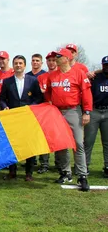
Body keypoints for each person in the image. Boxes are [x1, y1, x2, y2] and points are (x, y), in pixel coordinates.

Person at [45, 48, 92, 192]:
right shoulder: (52, 76)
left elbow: (86, 93)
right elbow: (48, 93)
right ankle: (65, 172)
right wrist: (50, 104)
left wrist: (87, 112)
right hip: (57, 111)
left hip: (73, 110)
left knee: (78, 143)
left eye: (58, 56)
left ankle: (82, 175)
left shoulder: (78, 73)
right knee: (61, 143)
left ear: (66, 58)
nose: (55, 59)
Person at [0, 55, 43, 181]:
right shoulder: (7, 82)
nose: (18, 65)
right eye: (16, 63)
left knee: (29, 144)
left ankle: (29, 173)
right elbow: (2, 98)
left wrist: (31, 107)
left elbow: (38, 98)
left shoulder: (33, 80)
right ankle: (12, 171)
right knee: (12, 145)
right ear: (13, 65)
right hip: (12, 118)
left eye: (20, 63)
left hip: (28, 117)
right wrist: (5, 106)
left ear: (24, 65)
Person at [84, 56, 108, 178]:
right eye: (105, 65)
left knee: (107, 142)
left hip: (107, 111)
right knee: (88, 141)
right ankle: (85, 166)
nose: (107, 67)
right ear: (102, 65)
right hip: (94, 110)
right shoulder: (95, 77)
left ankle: (107, 167)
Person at [36, 52, 58, 174]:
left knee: (58, 135)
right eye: (49, 60)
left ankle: (59, 163)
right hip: (45, 110)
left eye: (54, 60)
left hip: (58, 109)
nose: (52, 62)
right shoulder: (41, 77)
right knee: (44, 136)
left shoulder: (60, 75)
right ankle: (44, 163)